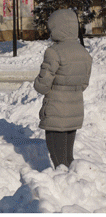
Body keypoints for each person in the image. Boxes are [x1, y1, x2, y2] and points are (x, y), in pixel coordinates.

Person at [34, 9, 92, 169]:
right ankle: (73, 185)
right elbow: (84, 84)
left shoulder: (53, 52)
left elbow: (42, 85)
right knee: (68, 157)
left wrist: (37, 82)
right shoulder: (84, 53)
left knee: (58, 160)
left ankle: (64, 189)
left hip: (56, 112)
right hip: (74, 112)